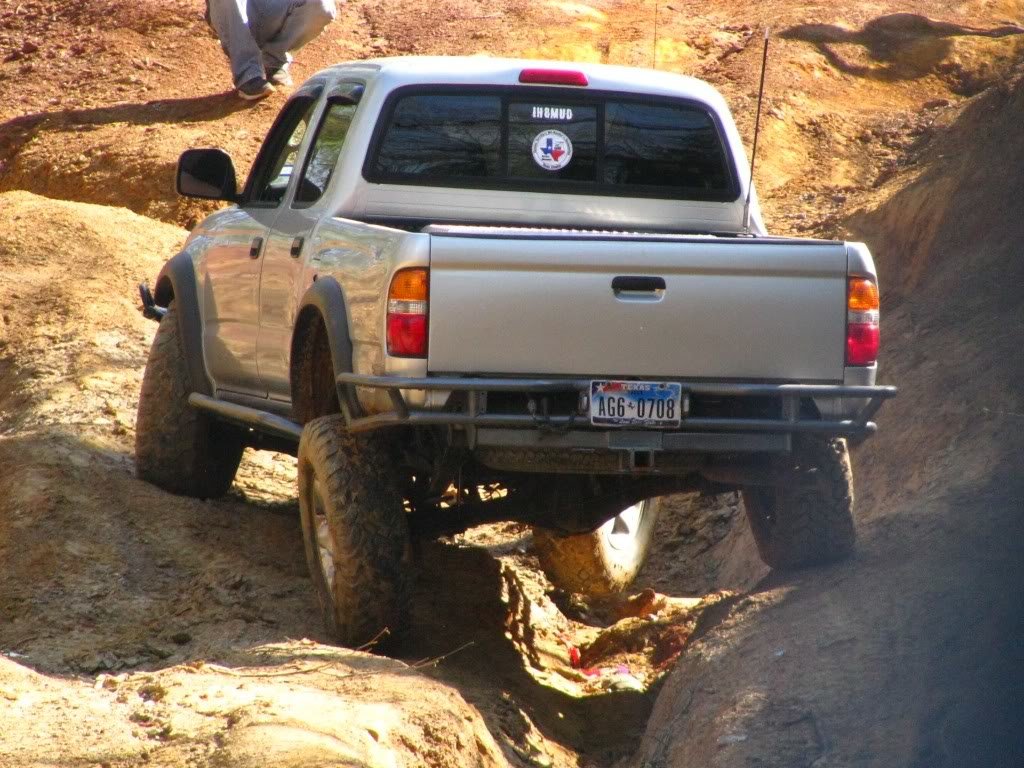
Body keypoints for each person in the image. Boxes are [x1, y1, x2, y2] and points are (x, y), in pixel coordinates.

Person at [206, 0, 338, 100]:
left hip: (271, 8)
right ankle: (248, 74)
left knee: (323, 5)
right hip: (233, 11)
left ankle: (274, 61)